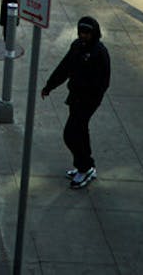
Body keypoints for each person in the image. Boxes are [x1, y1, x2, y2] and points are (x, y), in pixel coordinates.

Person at [41, 15, 110, 188]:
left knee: (70, 135)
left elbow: (103, 82)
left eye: (87, 33)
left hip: (87, 101)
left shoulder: (99, 53)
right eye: (81, 32)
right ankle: (86, 165)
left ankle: (84, 167)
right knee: (80, 132)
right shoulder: (77, 47)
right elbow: (64, 68)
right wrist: (50, 86)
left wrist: (89, 98)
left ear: (94, 33)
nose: (83, 35)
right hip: (75, 97)